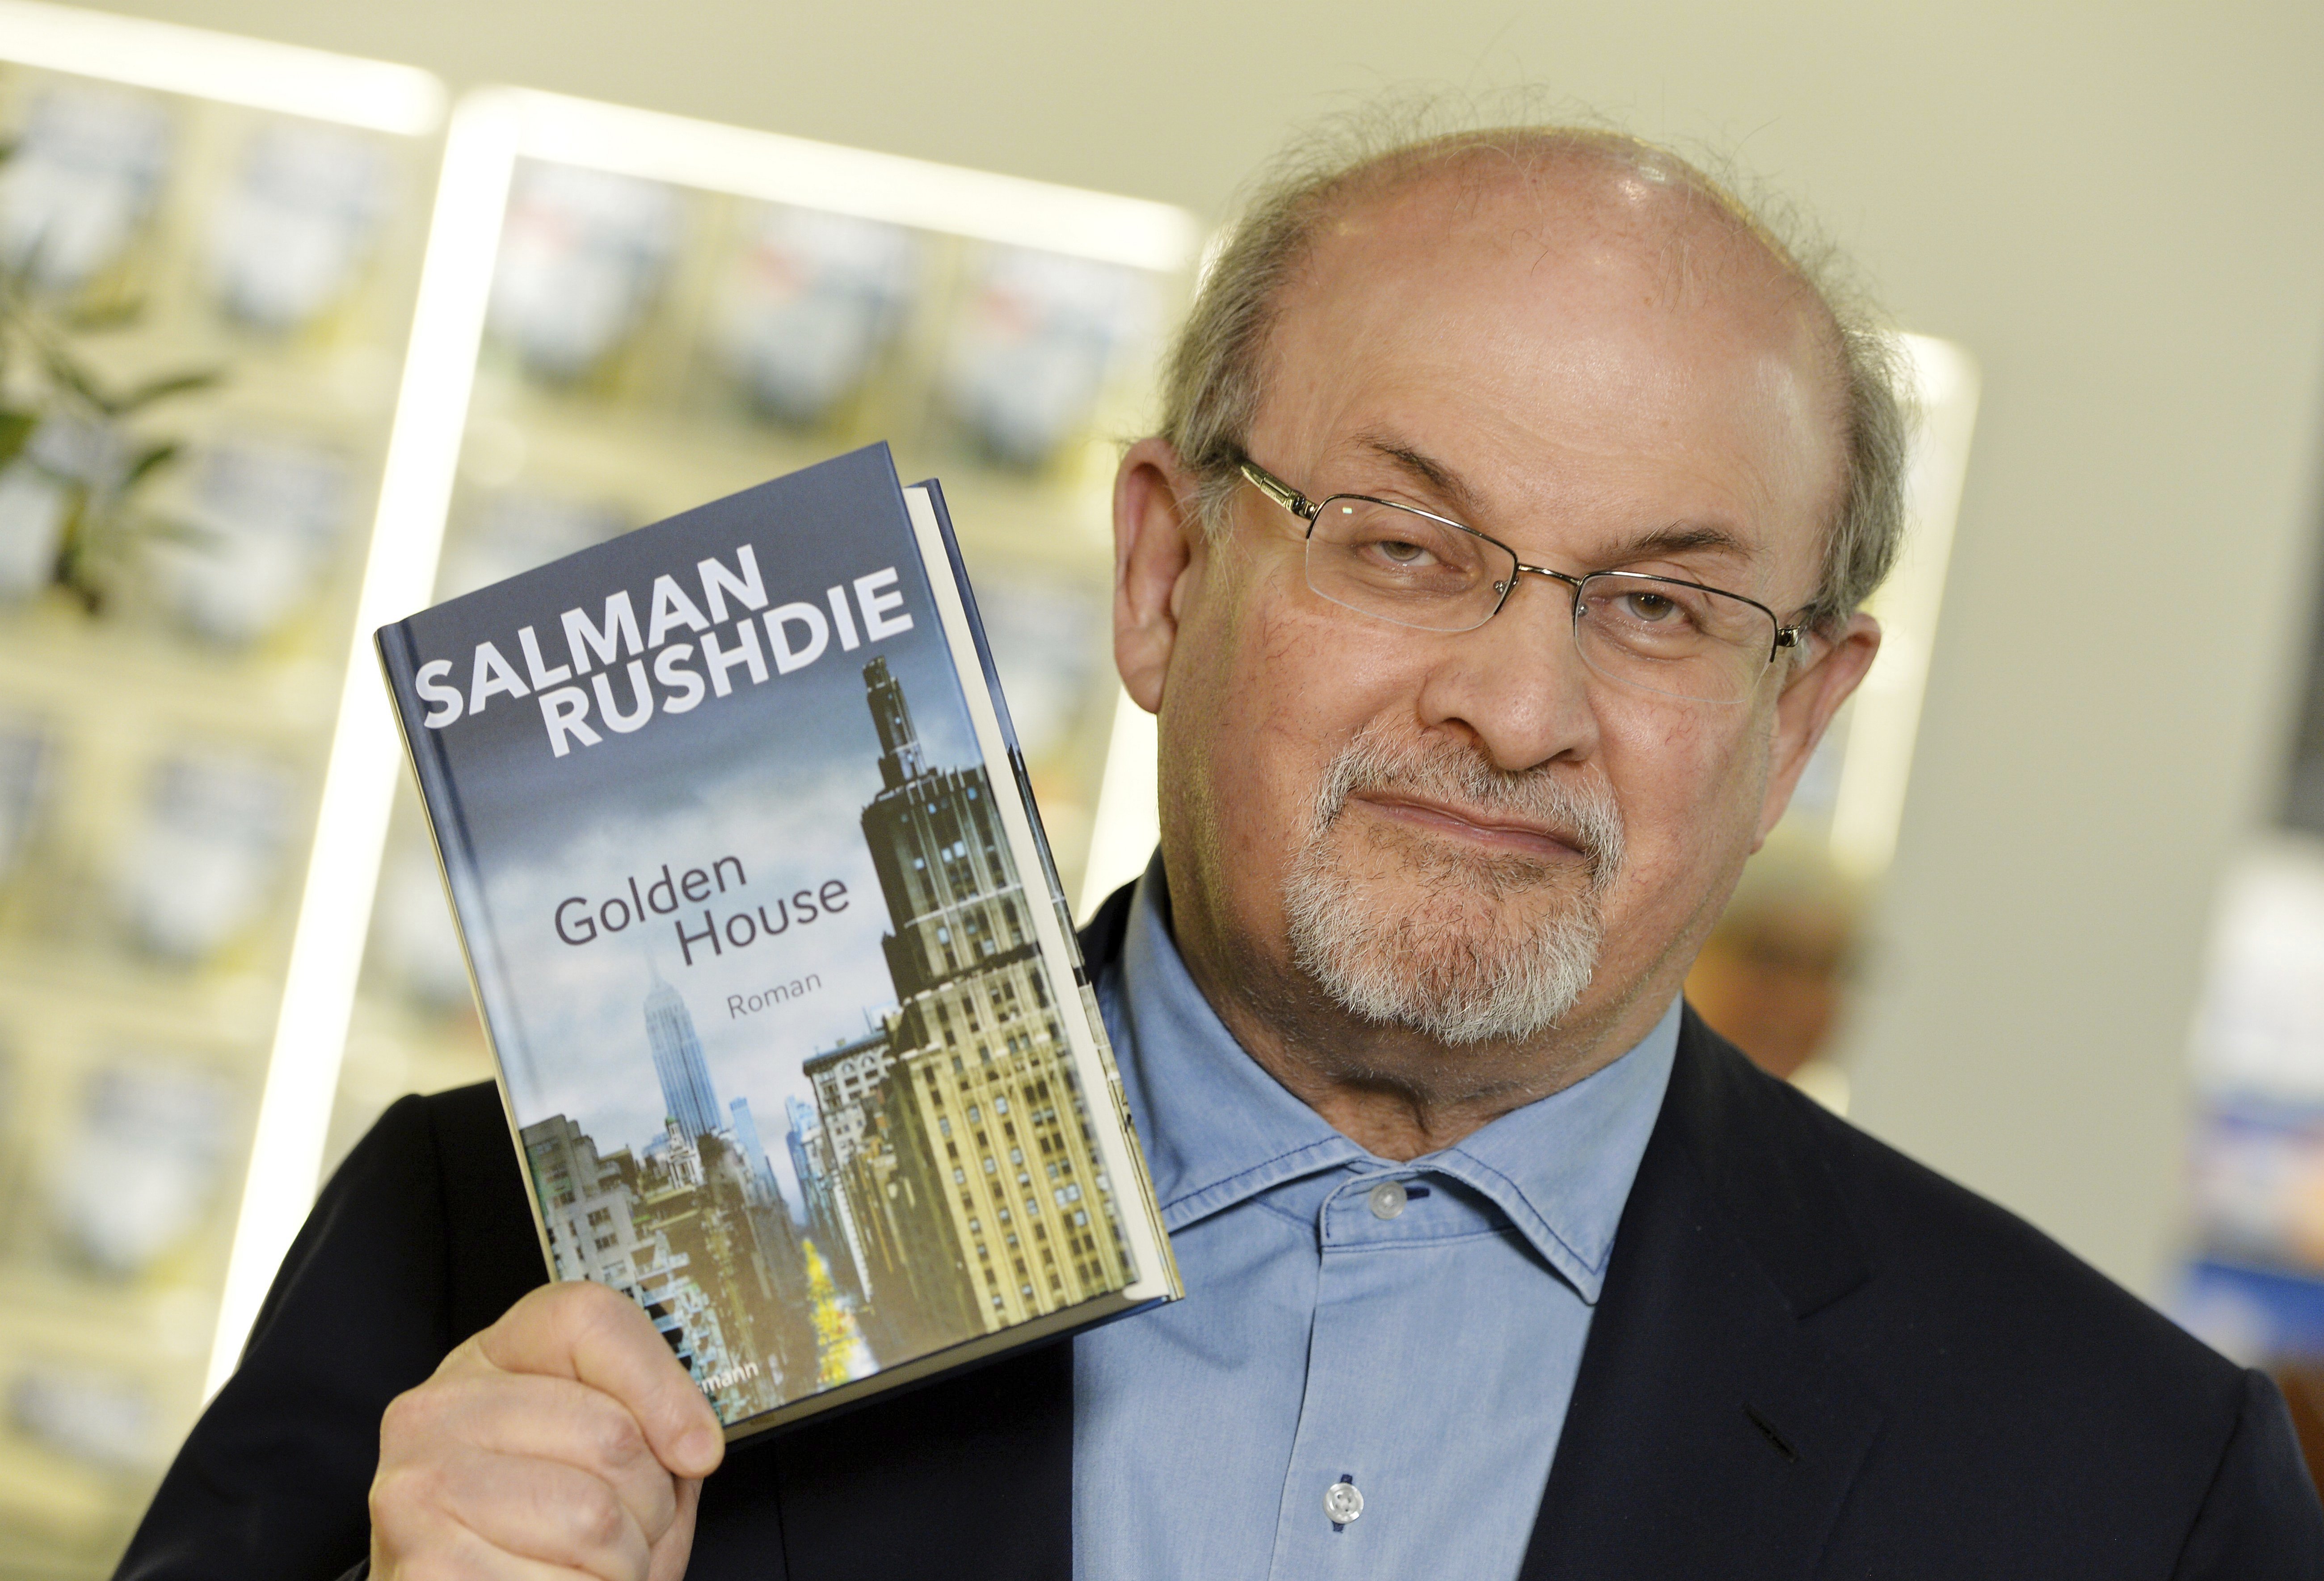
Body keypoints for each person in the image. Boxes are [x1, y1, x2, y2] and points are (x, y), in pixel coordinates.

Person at [117, 113, 2324, 1581]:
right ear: (1166, 577)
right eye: (1401, 543)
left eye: (1662, 604)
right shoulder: (484, 1254)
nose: (1516, 708)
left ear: (1797, 725)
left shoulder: (2121, 1486)